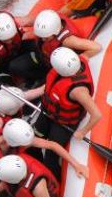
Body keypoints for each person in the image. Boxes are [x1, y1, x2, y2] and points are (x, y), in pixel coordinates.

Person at [34, 47, 102, 177]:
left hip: (64, 123)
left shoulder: (78, 91)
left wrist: (82, 132)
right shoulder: (79, 60)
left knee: (51, 157)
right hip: (48, 111)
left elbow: (97, 115)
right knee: (36, 135)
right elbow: (90, 51)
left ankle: (52, 178)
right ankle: (33, 160)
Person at [7, 10, 101, 83]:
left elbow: (96, 47)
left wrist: (82, 57)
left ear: (56, 31)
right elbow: (27, 22)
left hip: (51, 65)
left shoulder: (68, 40)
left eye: (46, 37)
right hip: (43, 52)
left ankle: (39, 78)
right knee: (15, 55)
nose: (43, 39)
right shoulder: (50, 18)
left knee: (14, 66)